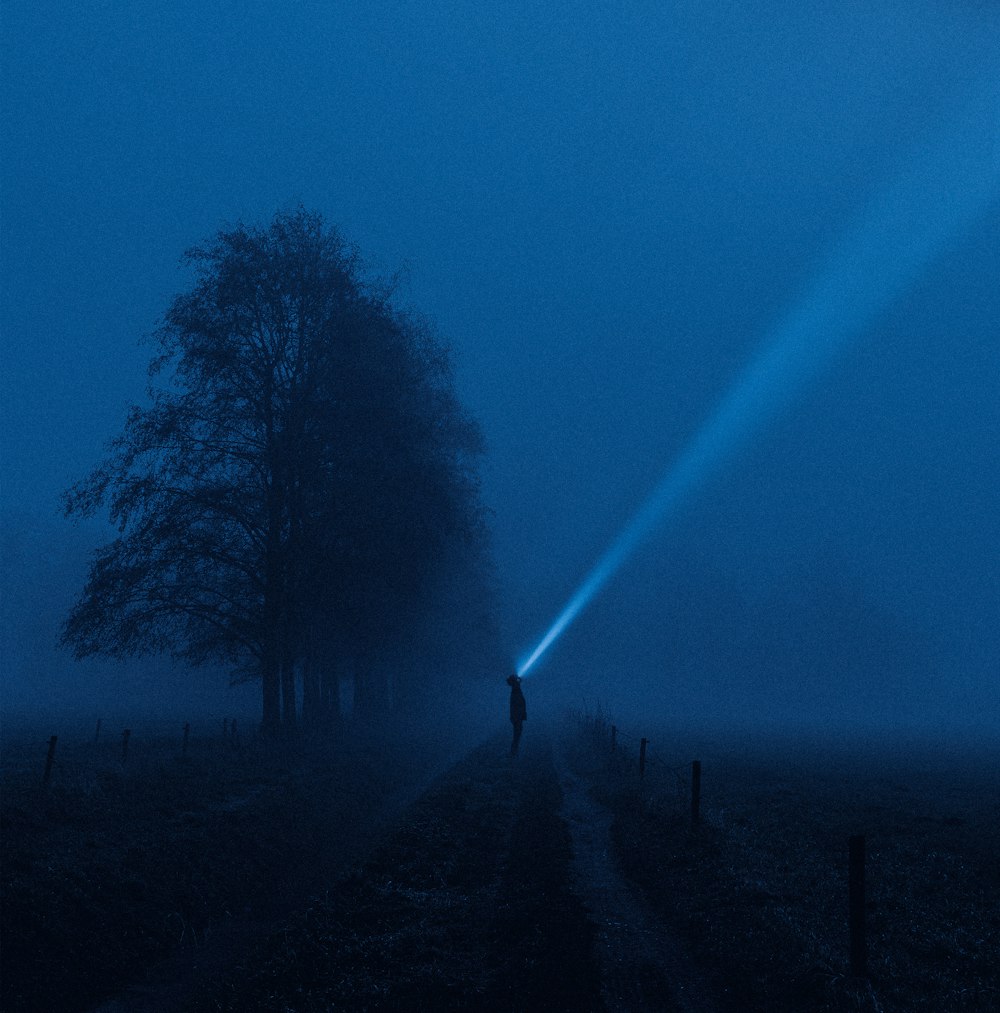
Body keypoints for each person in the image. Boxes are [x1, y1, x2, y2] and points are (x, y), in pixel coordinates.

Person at [506, 673, 527, 756]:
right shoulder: (516, 690)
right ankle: (513, 752)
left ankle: (514, 751)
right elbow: (519, 704)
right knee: (517, 734)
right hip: (517, 716)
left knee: (517, 734)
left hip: (516, 716)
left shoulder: (515, 689)